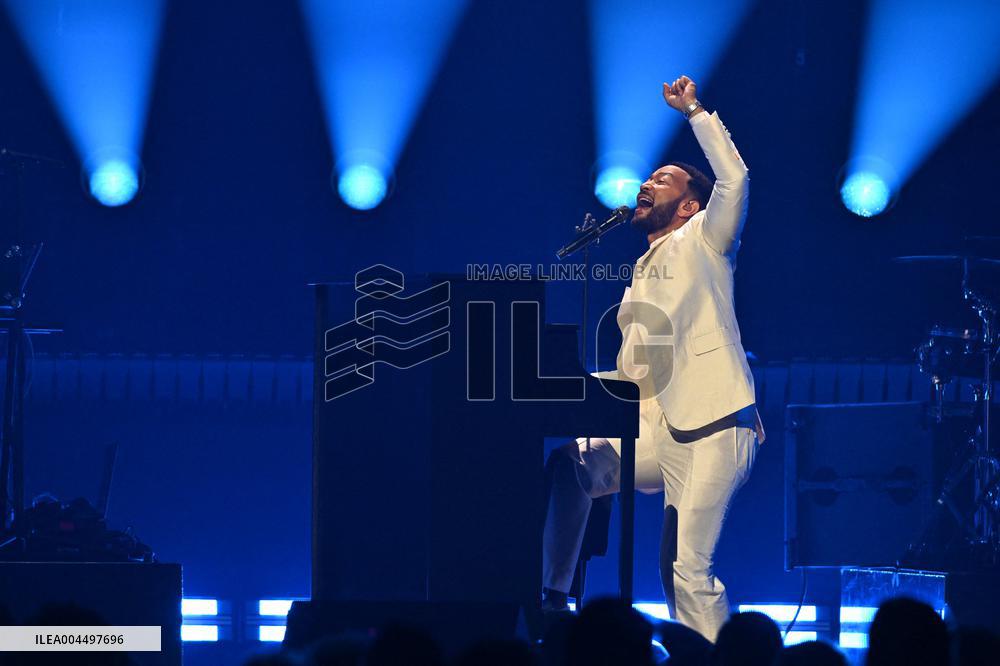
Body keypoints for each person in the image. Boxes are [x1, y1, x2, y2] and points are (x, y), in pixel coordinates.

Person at [542, 75, 762, 642]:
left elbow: (735, 179)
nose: (647, 183)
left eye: (662, 179)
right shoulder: (641, 272)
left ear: (690, 205)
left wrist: (694, 112)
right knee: (572, 465)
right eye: (648, 177)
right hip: (652, 427)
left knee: (685, 571)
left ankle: (716, 658)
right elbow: (633, 374)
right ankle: (553, 597)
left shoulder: (707, 241)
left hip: (714, 425)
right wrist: (570, 383)